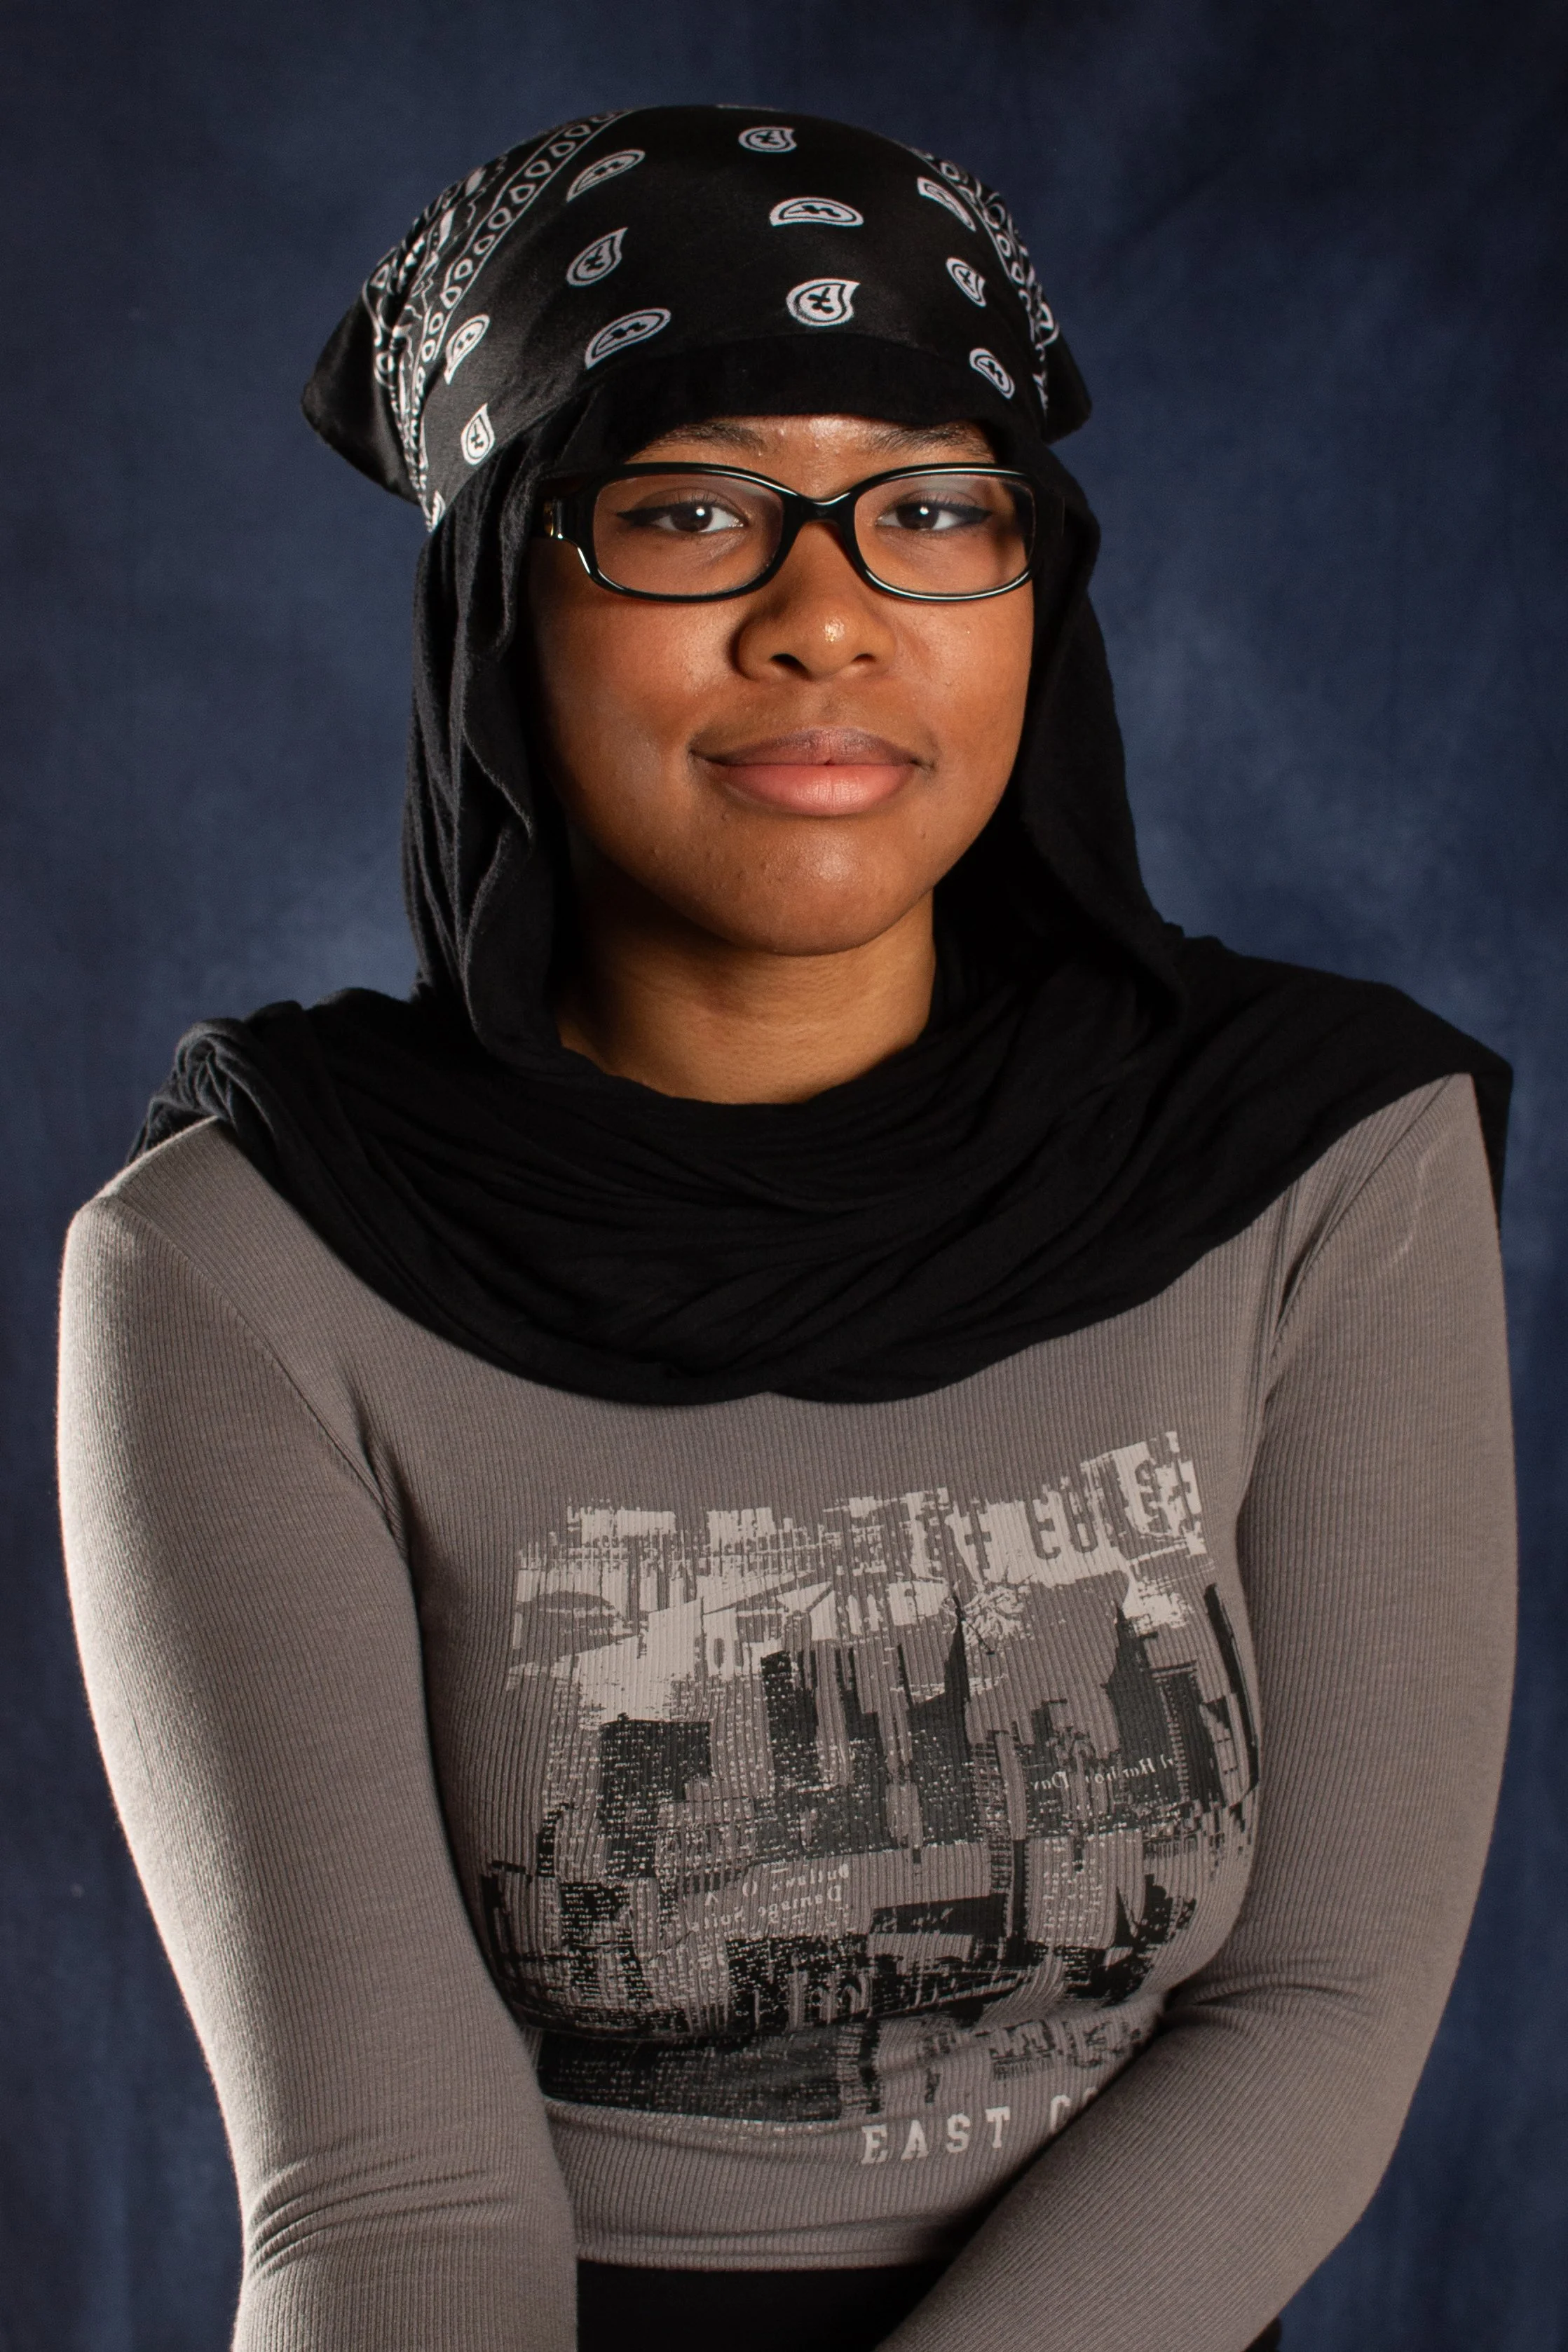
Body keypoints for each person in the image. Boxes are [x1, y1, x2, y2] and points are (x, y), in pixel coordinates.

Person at [56, 106, 1515, 2352]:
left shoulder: (1316, 1160)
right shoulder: (245, 1264)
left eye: (931, 509)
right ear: (498, 605)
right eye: (686, 512)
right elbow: (386, 2187)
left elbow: (1313, 2011)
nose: (823, 618)